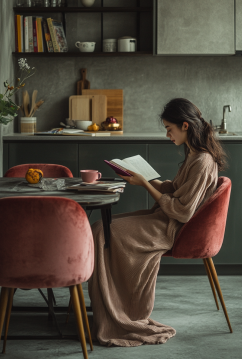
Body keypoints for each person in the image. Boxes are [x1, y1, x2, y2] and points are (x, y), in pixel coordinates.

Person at [88, 98, 227, 347]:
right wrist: (148, 179)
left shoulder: (203, 161)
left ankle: (120, 311)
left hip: (169, 227)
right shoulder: (194, 155)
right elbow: (175, 189)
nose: (167, 134)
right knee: (99, 227)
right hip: (162, 218)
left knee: (104, 233)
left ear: (185, 125)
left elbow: (182, 212)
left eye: (169, 128)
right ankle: (107, 306)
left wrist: (145, 184)